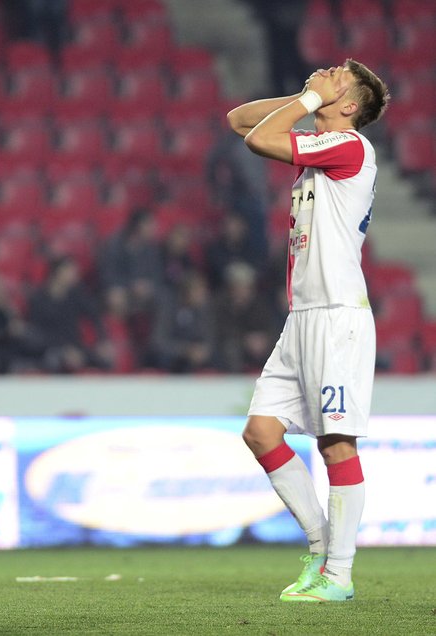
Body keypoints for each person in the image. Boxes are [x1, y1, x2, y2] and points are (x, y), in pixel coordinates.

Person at [227, 59, 389, 602]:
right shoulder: (323, 136)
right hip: (301, 318)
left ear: (348, 107)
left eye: (336, 78)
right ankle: (320, 547)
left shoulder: (350, 148)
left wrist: (311, 102)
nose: (324, 72)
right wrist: (308, 95)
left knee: (336, 444)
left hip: (338, 315)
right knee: (261, 433)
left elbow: (257, 140)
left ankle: (339, 575)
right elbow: (239, 119)